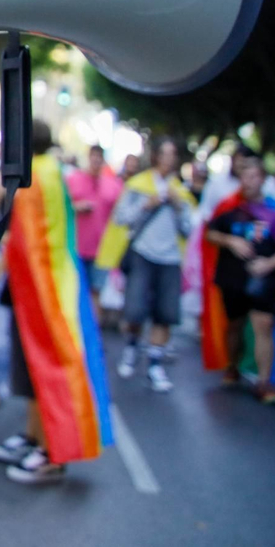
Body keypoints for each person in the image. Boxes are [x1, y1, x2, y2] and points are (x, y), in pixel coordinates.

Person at [0, 120, 112, 485]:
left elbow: (31, 242)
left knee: (48, 367)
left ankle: (52, 453)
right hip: (40, 291)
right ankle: (34, 438)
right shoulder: (46, 172)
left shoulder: (36, 178)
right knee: (32, 368)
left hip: (44, 294)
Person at [202, 156, 275, 403]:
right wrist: (230, 240)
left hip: (265, 280)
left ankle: (264, 383)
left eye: (254, 176)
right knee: (234, 325)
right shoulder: (229, 208)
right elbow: (210, 233)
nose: (249, 181)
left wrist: (268, 264)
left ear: (263, 179)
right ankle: (232, 366)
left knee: (263, 325)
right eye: (245, 176)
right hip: (233, 278)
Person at [112, 138, 195, 392]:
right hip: (142, 254)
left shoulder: (181, 191)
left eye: (173, 154)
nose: (169, 159)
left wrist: (178, 207)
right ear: (156, 156)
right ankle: (131, 349)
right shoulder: (138, 185)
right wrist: (145, 205)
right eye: (165, 154)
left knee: (165, 314)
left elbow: (189, 229)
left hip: (170, 259)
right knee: (135, 310)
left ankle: (154, 365)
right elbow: (120, 218)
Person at [66, 145, 123, 300]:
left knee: (96, 292)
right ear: (88, 158)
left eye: (99, 157)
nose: (96, 160)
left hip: (102, 249)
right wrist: (76, 207)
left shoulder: (114, 185)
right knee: (75, 291)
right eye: (93, 156)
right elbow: (61, 207)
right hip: (76, 247)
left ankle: (95, 317)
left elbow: (120, 216)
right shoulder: (73, 180)